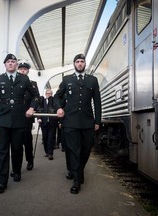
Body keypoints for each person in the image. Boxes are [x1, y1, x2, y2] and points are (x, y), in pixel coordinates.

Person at [0, 53, 40, 194]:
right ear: (5, 64)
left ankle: (17, 171)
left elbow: (36, 95)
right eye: (8, 61)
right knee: (2, 152)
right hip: (3, 119)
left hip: (19, 119)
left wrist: (32, 107)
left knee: (17, 149)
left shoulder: (24, 79)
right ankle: (1, 181)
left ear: (16, 64)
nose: (11, 63)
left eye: (13, 61)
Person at [53, 53, 102, 194]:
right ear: (74, 64)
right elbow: (57, 96)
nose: (80, 64)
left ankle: (79, 171)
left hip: (87, 121)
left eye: (82, 61)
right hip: (70, 121)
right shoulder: (67, 79)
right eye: (77, 61)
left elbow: (97, 102)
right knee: (74, 151)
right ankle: (76, 180)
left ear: (85, 64)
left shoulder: (93, 80)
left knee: (86, 149)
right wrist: (59, 108)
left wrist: (97, 120)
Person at [17, 60, 39, 171]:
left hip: (27, 117)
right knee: (17, 143)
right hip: (15, 118)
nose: (22, 71)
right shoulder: (14, 83)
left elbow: (36, 98)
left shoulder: (33, 84)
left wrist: (33, 108)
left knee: (27, 141)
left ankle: (30, 160)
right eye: (21, 69)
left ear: (28, 71)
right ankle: (17, 167)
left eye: (24, 69)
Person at [37, 89, 58, 160]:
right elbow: (39, 109)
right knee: (45, 138)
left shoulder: (54, 101)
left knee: (51, 138)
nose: (49, 94)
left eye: (50, 93)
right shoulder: (42, 101)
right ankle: (46, 152)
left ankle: (50, 153)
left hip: (52, 123)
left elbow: (57, 109)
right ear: (45, 94)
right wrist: (39, 118)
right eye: (48, 93)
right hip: (44, 122)